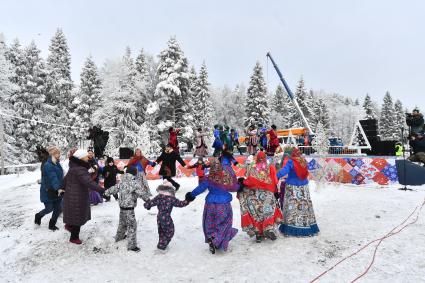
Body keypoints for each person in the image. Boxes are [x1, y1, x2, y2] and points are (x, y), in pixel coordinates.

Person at [186, 158, 239, 254]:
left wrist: (191, 195)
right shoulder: (226, 177)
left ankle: (212, 237)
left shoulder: (208, 178)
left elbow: (200, 188)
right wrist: (242, 185)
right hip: (224, 204)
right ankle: (217, 240)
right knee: (224, 223)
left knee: (210, 222)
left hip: (210, 204)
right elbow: (234, 187)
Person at [238, 151, 283, 242]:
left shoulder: (253, 168)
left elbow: (250, 182)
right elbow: (275, 181)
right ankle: (268, 228)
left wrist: (242, 182)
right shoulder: (270, 168)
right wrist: (275, 191)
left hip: (255, 195)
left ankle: (258, 233)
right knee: (269, 210)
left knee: (256, 213)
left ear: (257, 158)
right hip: (268, 195)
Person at [63, 149, 104, 245]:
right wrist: (102, 190)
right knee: (78, 216)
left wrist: (60, 188)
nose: (88, 157)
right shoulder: (80, 169)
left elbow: (65, 180)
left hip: (71, 195)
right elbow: (88, 182)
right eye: (86, 156)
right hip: (78, 196)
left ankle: (69, 225)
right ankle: (74, 237)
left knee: (74, 214)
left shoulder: (73, 167)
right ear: (81, 157)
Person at [104, 166, 150, 252]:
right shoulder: (134, 183)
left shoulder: (122, 182)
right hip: (129, 209)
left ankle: (119, 237)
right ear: (134, 173)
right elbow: (142, 193)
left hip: (122, 208)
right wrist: (148, 201)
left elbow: (113, 189)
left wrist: (106, 193)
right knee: (132, 226)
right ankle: (132, 246)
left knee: (122, 223)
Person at [276, 147, 319, 237]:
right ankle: (307, 225)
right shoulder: (303, 161)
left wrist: (276, 176)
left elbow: (284, 171)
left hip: (293, 188)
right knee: (304, 206)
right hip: (303, 188)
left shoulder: (291, 161)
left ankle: (292, 228)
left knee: (293, 207)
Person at [144, 182, 189, 250]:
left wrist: (147, 205)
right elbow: (180, 204)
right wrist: (187, 201)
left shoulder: (159, 196)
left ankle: (161, 243)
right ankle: (162, 244)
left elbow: (151, 202)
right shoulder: (171, 198)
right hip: (166, 217)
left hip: (159, 217)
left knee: (161, 231)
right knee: (170, 231)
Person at [35, 146, 64, 231]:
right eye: (57, 153)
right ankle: (38, 215)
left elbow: (60, 176)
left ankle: (52, 224)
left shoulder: (57, 163)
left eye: (59, 153)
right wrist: (58, 188)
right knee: (49, 209)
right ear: (53, 154)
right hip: (48, 191)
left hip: (58, 189)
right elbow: (53, 178)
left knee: (58, 208)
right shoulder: (48, 165)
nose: (59, 155)